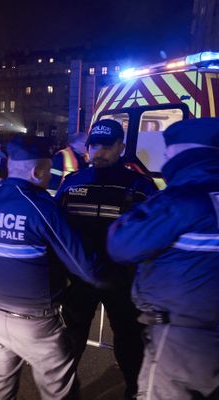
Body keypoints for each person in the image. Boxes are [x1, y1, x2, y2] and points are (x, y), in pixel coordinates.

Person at [0, 135, 101, 400]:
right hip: (36, 324)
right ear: (37, 172)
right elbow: (85, 267)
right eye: (49, 172)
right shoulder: (43, 209)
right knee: (59, 393)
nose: (50, 178)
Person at [107, 118, 219, 400]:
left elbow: (122, 244)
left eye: (169, 151)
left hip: (183, 337)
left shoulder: (180, 198)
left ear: (183, 152)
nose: (165, 156)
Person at [56, 119, 157, 399]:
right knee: (71, 342)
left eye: (107, 146)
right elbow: (57, 229)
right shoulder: (72, 182)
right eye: (93, 145)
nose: (98, 152)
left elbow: (154, 235)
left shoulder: (140, 186)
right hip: (80, 279)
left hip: (121, 281)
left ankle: (135, 392)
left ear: (121, 148)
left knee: (129, 344)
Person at [48, 131, 89, 196]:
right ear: (75, 143)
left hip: (78, 197)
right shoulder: (61, 156)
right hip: (63, 197)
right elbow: (52, 183)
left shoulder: (85, 158)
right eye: (85, 143)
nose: (87, 146)